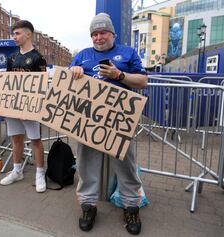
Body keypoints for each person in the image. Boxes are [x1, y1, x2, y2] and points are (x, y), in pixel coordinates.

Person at [70, 13, 148, 235]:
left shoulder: (127, 53)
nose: (98, 37)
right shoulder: (82, 56)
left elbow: (142, 81)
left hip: (120, 121)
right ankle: (88, 206)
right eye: (94, 34)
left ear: (113, 33)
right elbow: (66, 84)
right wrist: (73, 71)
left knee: (126, 164)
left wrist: (119, 74)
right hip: (89, 121)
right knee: (86, 163)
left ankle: (131, 206)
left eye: (102, 32)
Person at [0, 20, 47, 193]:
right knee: (16, 139)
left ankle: (40, 173)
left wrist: (28, 109)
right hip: (13, 107)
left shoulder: (38, 58)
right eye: (13, 34)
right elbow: (8, 84)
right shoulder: (12, 58)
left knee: (35, 140)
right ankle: (17, 170)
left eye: (17, 33)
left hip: (30, 108)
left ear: (28, 34)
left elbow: (40, 87)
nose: (14, 37)